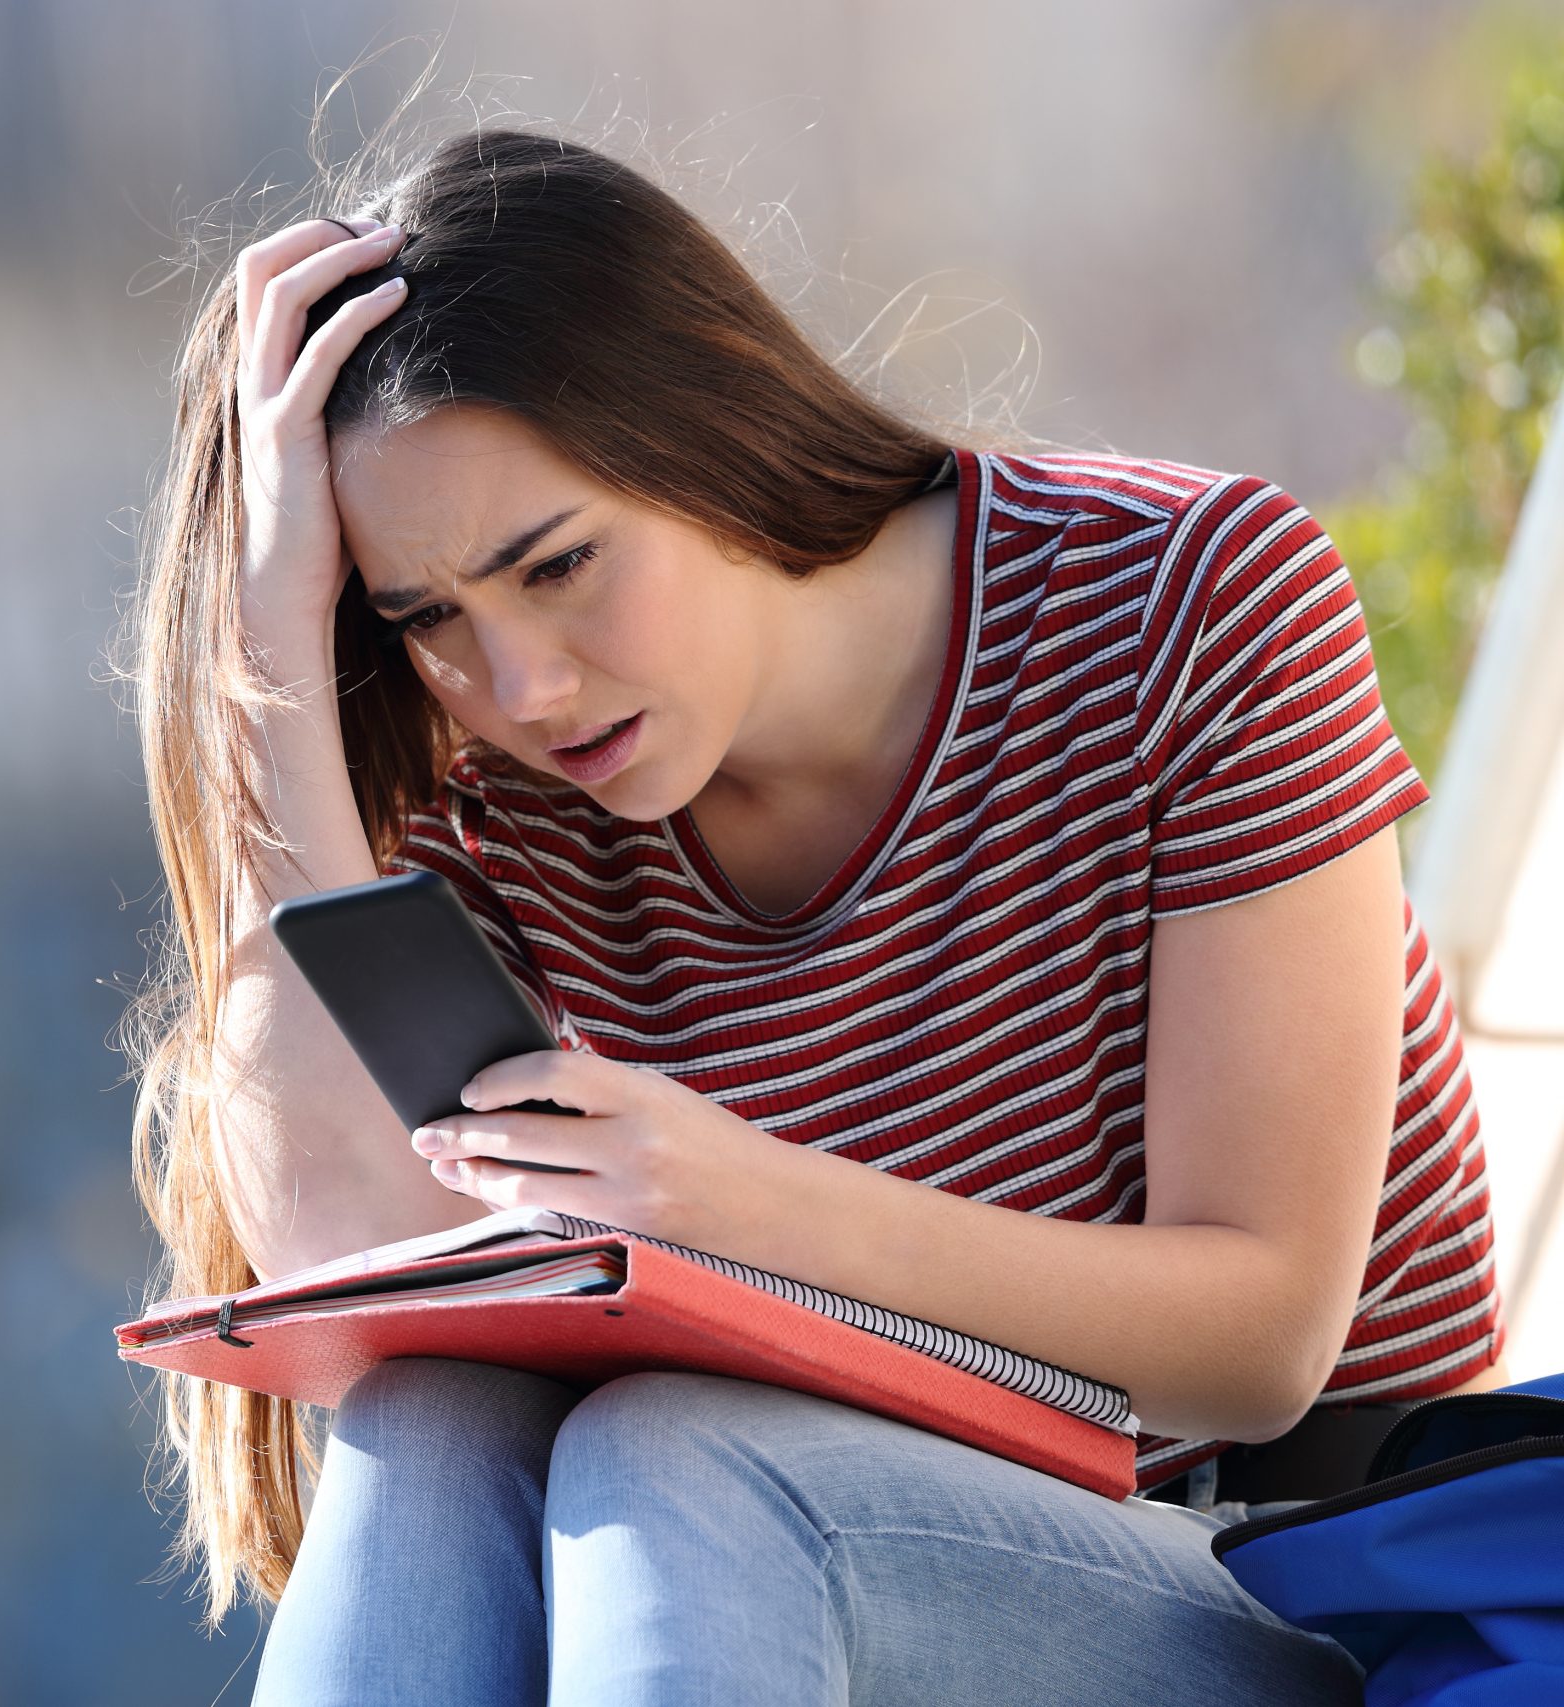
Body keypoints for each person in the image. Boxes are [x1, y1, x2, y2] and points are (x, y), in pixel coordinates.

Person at [106, 123, 1511, 1704]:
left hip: (1288, 1577)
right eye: (428, 619)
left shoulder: (1188, 603)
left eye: (558, 565)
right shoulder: (495, 791)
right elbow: (353, 1265)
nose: (523, 686)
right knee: (432, 1430)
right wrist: (275, 663)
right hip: (776, 1576)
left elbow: (1262, 1342)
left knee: (682, 1458)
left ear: (703, 427)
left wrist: (740, 1205)